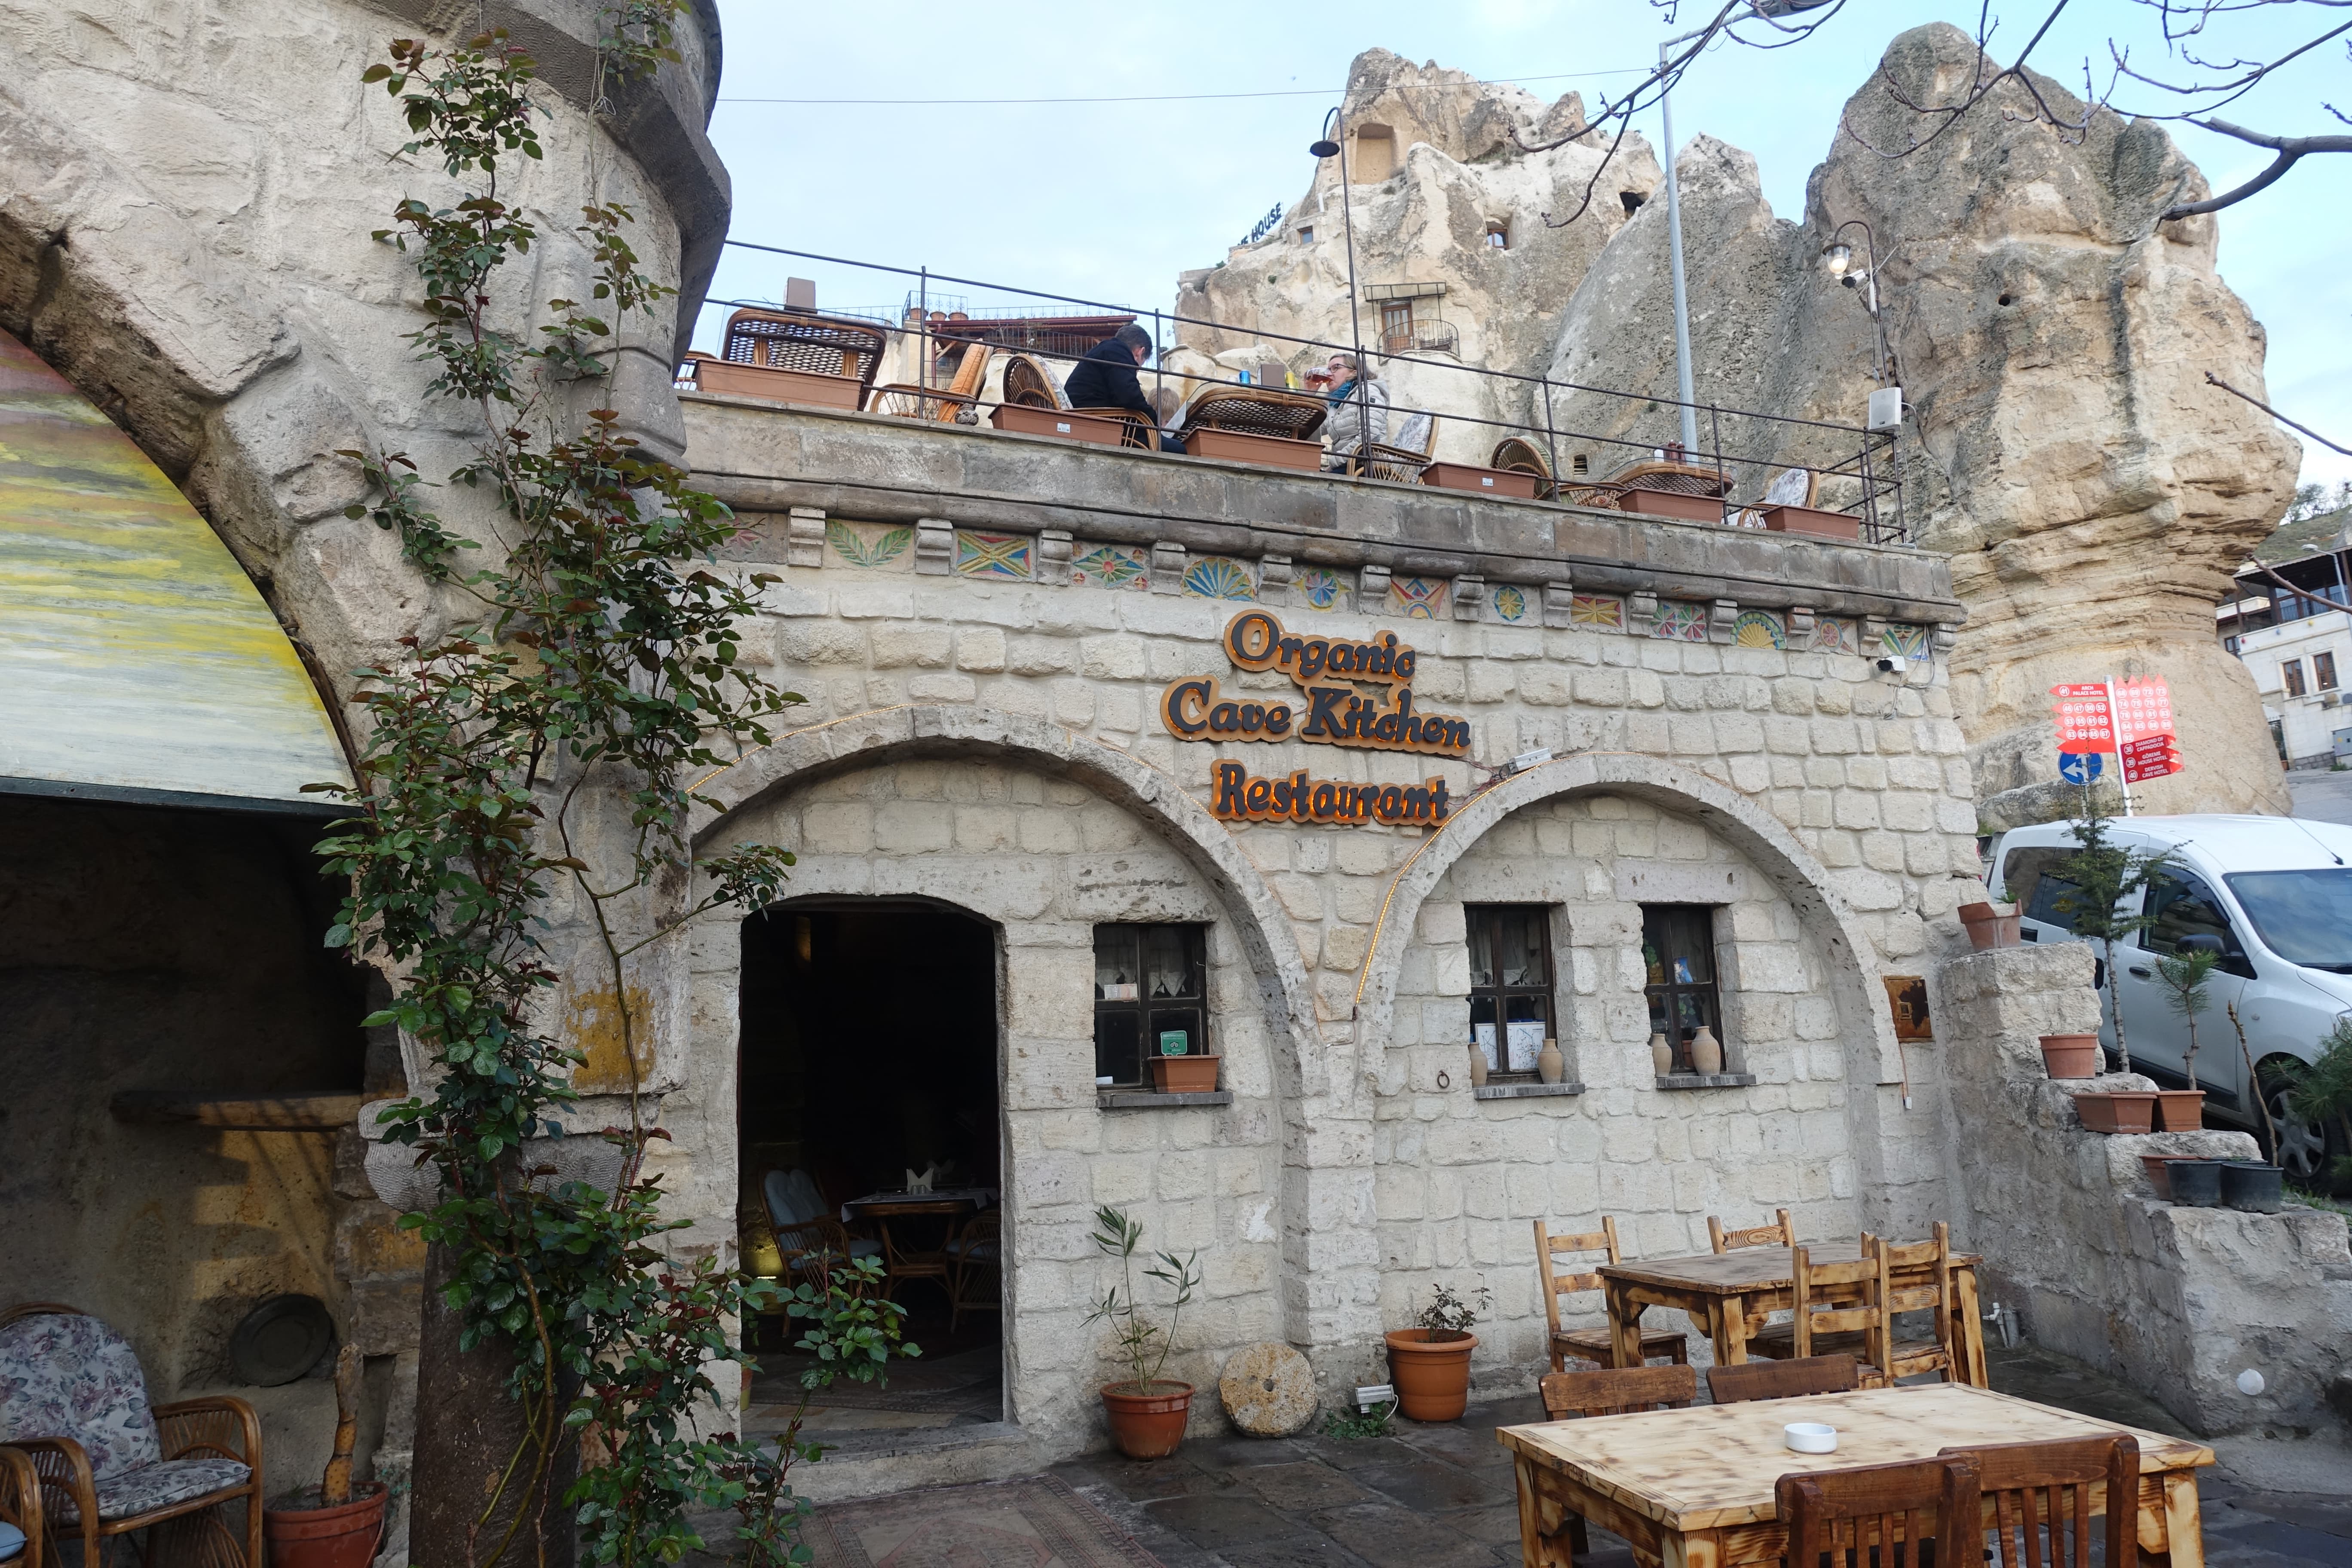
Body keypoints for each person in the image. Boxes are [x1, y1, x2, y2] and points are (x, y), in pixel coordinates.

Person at [1063, 324, 1185, 453]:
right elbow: (1129, 396)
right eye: (1138, 366)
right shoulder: (1117, 352)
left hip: (1090, 417)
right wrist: (1154, 421)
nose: (1135, 371)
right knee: (1180, 449)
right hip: (1097, 423)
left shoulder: (1105, 351)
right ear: (1140, 352)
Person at [1309, 352, 1388, 472]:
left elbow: (1368, 437)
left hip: (1366, 466)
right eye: (1328, 369)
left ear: (1354, 372)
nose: (1329, 373)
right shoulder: (1335, 401)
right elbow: (1313, 428)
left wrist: (1334, 462)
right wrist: (1310, 394)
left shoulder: (1368, 392)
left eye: (1336, 368)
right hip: (1346, 464)